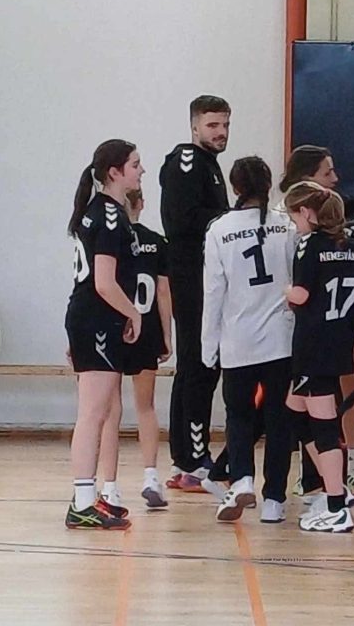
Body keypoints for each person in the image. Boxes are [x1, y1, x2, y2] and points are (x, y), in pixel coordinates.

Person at [278, 119, 354, 497]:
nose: (335, 178)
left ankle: (338, 486)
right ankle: (320, 480)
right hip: (321, 331)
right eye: (327, 173)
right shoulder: (300, 228)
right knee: (305, 410)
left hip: (326, 330)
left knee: (330, 408)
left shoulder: (323, 237)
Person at [202, 157, 297, 524]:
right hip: (280, 340)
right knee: (279, 421)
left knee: (239, 416)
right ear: (269, 185)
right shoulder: (285, 225)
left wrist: (208, 345)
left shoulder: (219, 229)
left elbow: (214, 293)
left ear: (235, 187)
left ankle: (241, 478)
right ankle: (274, 499)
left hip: (237, 341)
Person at [64, 140, 145, 530]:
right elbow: (103, 282)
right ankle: (82, 501)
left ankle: (93, 495)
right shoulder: (109, 215)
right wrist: (134, 312)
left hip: (94, 319)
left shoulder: (102, 212)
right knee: (92, 413)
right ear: (114, 172)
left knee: (108, 410)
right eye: (135, 164)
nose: (141, 170)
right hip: (97, 320)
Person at [284, 182, 354, 533]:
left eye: (294, 216)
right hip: (339, 341)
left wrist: (285, 290)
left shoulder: (310, 245)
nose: (294, 224)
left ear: (307, 213)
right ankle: (337, 488)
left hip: (313, 343)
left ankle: (336, 505)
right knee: (295, 411)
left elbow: (301, 295)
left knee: (324, 428)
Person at [160, 95, 231, 492]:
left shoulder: (209, 165)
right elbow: (183, 219)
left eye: (224, 125)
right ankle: (192, 458)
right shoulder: (188, 160)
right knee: (199, 365)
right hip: (192, 278)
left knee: (199, 366)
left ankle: (187, 456)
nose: (220, 132)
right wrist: (231, 219)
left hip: (205, 277)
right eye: (212, 125)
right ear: (194, 126)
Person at [95, 189, 172, 515]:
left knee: (110, 411)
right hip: (147, 328)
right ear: (142, 204)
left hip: (115, 325)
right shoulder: (156, 242)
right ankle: (151, 477)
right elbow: (164, 292)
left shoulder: (113, 237)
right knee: (146, 406)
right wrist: (167, 335)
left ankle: (110, 487)